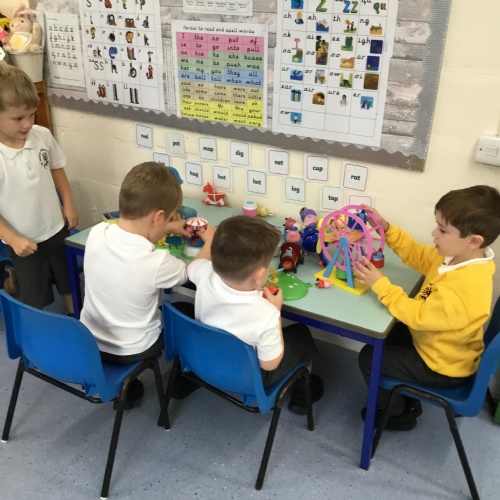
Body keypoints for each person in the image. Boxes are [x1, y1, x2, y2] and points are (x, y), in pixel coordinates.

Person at [355, 185, 500, 430]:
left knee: (369, 358)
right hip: (439, 346)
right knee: (386, 334)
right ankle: (408, 398)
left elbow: (417, 316)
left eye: (442, 230)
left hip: (443, 367)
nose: (434, 233)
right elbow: (418, 255)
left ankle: (397, 415)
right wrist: (386, 229)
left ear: (474, 241)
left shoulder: (465, 287)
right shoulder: (457, 259)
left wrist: (380, 285)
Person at [80, 162, 215, 408]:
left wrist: (169, 227)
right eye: (169, 217)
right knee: (185, 311)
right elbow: (190, 273)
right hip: (134, 348)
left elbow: (133, 237)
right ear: (157, 217)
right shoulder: (157, 262)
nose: (171, 222)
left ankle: (127, 388)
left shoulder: (98, 233)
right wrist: (210, 243)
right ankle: (183, 379)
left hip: (89, 342)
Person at [186, 215, 323, 415]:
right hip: (249, 377)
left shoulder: (205, 273)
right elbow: (270, 364)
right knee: (302, 334)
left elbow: (193, 266)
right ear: (259, 275)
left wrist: (209, 241)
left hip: (204, 360)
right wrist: (276, 313)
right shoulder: (266, 314)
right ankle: (303, 397)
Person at [0, 64, 78, 312]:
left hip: (55, 228)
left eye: (32, 115)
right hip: (22, 240)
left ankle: (77, 321)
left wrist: (68, 204)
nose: (27, 124)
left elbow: (57, 169)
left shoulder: (42, 135)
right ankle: (38, 332)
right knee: (34, 299)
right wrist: (13, 239)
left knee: (69, 282)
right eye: (18, 118)